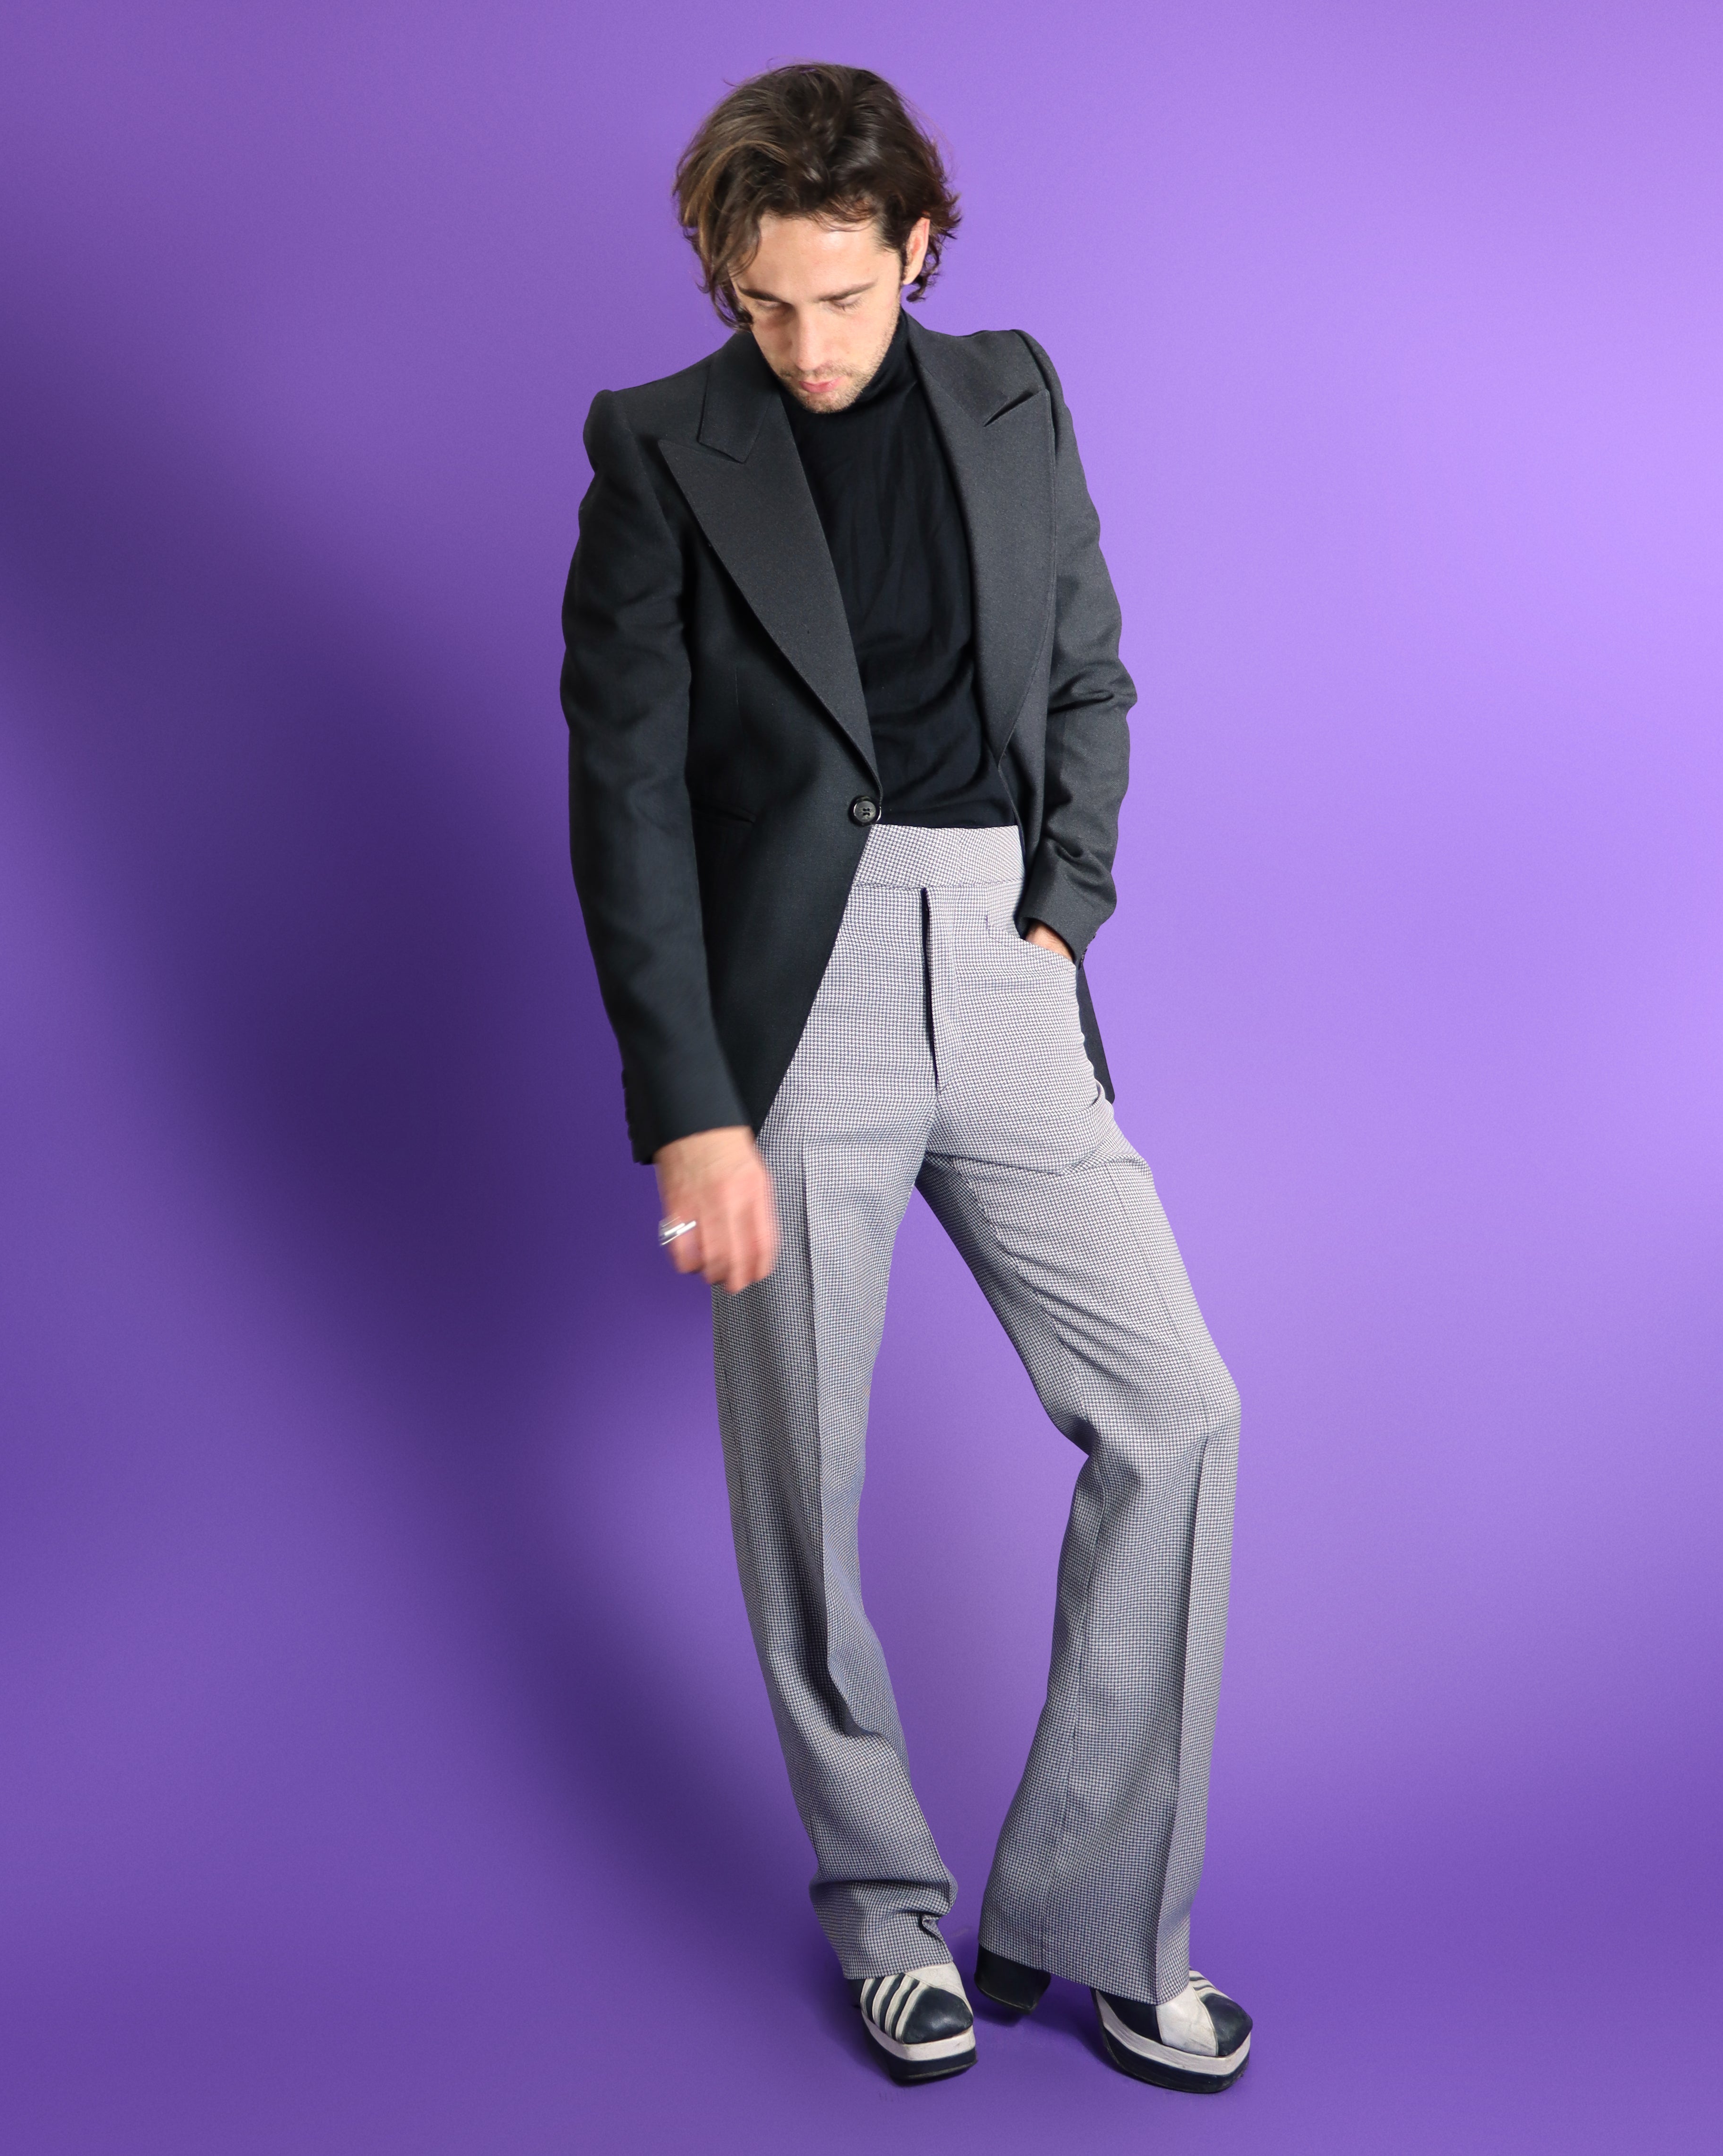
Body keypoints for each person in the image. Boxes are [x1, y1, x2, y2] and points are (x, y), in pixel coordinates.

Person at [561, 62, 1250, 2092]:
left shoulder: (1012, 395)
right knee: (805, 1481)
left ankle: (1088, 1910)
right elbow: (624, 799)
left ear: (918, 246)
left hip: (1003, 957)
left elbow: (1089, 673)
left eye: (844, 297)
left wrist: (1063, 914)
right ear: (723, 274)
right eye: (764, 302)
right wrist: (692, 1104)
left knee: (1179, 1414)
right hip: (797, 1005)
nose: (806, 344)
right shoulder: (657, 449)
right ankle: (886, 1911)